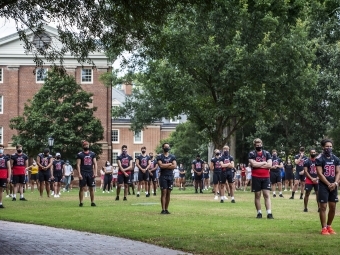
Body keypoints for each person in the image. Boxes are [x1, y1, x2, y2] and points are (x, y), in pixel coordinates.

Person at [316, 139, 340, 235]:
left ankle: (329, 226)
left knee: (333, 207)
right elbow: (319, 173)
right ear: (323, 147)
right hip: (323, 185)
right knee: (323, 207)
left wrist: (335, 183)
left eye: (330, 146)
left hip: (333, 185)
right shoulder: (319, 158)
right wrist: (328, 184)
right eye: (327, 146)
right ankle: (324, 227)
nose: (329, 148)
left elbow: (338, 172)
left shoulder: (336, 158)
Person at [248, 138, 273, 219]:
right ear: (254, 146)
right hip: (256, 177)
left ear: (262, 144)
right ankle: (259, 213)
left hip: (266, 177)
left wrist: (258, 164)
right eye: (257, 145)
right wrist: (264, 163)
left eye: (260, 144)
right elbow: (253, 164)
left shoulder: (267, 153)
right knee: (257, 195)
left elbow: (270, 165)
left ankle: (269, 213)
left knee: (266, 194)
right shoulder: (252, 153)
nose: (259, 146)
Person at [157, 143, 176, 214]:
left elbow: (174, 166)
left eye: (168, 146)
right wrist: (169, 164)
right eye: (165, 147)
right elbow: (161, 166)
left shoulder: (172, 156)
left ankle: (167, 209)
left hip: (170, 176)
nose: (167, 148)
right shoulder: (160, 157)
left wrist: (165, 165)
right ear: (163, 148)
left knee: (168, 193)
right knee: (163, 192)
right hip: (163, 176)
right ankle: (163, 209)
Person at [77, 141, 97, 207]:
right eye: (85, 145)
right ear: (83, 146)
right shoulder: (80, 154)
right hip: (83, 172)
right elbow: (78, 164)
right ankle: (81, 202)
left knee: (91, 188)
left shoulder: (92, 154)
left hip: (90, 172)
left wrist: (95, 172)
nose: (86, 146)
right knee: (81, 188)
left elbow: (95, 164)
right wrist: (79, 174)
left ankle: (92, 202)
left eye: (87, 145)